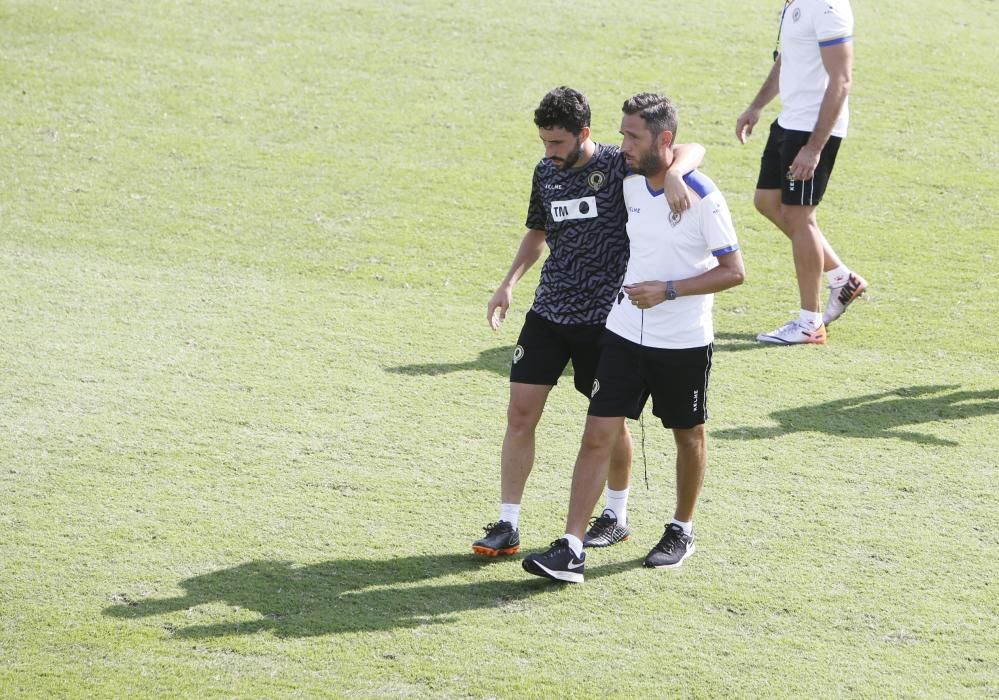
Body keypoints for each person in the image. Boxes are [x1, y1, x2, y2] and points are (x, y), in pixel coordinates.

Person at [472, 87, 706, 557]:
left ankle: (616, 514)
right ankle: (507, 523)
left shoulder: (620, 165)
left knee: (609, 425)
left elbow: (687, 147)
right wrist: (509, 283)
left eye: (557, 143)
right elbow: (538, 230)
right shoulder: (545, 173)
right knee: (520, 413)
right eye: (543, 142)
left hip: (606, 321)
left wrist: (678, 172)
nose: (548, 152)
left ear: (584, 134)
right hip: (550, 311)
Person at [522, 92, 745, 583]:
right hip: (622, 332)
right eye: (622, 133)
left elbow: (734, 272)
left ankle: (681, 528)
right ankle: (572, 545)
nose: (621, 143)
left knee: (688, 437)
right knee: (597, 432)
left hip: (683, 340)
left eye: (632, 136)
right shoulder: (628, 184)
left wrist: (668, 290)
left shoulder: (702, 197)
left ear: (663, 140)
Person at [736, 0, 867, 345]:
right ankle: (842, 278)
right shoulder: (795, 2)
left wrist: (813, 147)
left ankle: (810, 324)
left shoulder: (827, 6)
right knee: (766, 201)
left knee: (799, 216)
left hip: (812, 129)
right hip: (789, 121)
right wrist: (757, 104)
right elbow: (787, 59)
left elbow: (841, 79)